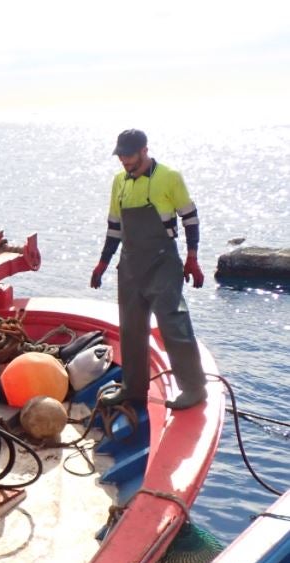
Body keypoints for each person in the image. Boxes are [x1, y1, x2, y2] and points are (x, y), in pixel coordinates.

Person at [90, 129, 207, 410]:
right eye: (120, 155)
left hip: (162, 263)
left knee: (173, 323)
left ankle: (193, 388)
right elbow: (115, 227)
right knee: (131, 329)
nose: (124, 161)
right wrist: (103, 263)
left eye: (129, 155)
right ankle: (132, 389)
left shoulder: (169, 177)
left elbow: (190, 218)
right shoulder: (119, 182)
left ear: (144, 150)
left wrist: (192, 257)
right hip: (129, 265)